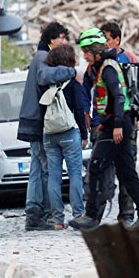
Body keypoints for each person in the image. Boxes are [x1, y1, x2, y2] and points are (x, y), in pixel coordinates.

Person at [70, 31, 139, 232]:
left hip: (118, 126)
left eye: (86, 52)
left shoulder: (108, 68)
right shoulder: (103, 67)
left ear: (96, 51)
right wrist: (106, 122)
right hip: (114, 124)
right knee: (127, 174)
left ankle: (91, 215)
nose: (84, 56)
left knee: (96, 167)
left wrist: (116, 124)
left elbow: (118, 97)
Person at [18, 22, 77, 231]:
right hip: (37, 120)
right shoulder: (43, 57)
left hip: (31, 119)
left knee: (36, 167)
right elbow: (45, 76)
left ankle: (34, 214)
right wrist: (71, 72)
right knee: (44, 169)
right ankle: (40, 214)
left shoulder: (40, 56)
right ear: (51, 39)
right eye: (60, 37)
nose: (63, 41)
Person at [42, 45, 88, 231]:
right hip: (69, 132)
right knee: (75, 173)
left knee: (54, 176)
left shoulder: (46, 82)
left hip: (49, 133)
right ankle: (78, 215)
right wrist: (84, 134)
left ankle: (58, 220)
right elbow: (79, 108)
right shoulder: (73, 83)